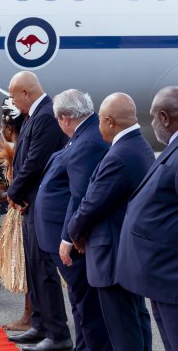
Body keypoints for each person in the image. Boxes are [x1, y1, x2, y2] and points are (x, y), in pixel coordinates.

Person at [68, 93, 154, 350]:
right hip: (127, 252)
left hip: (113, 255)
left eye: (100, 122)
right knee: (136, 320)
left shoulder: (119, 155)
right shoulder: (140, 146)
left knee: (123, 330)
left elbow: (91, 203)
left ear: (109, 121)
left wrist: (74, 233)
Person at [33, 89, 112, 351]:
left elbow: (80, 196)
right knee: (80, 303)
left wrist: (69, 236)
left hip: (70, 240)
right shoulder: (82, 135)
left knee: (87, 307)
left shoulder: (88, 141)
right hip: (60, 235)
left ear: (66, 117)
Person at [5, 72, 71, 350]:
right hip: (30, 201)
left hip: (38, 203)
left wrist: (13, 192)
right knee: (34, 268)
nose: (10, 101)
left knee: (44, 270)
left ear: (25, 93)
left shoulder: (45, 114)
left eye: (12, 95)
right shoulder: (35, 114)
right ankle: (40, 325)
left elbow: (35, 162)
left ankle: (58, 335)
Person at [116, 86, 178, 351]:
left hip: (170, 277)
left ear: (165, 118)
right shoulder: (172, 148)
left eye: (153, 118)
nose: (151, 124)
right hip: (161, 277)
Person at [0, 97, 32, 331]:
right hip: (16, 213)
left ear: (8, 128)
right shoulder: (18, 149)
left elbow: (18, 184)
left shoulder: (18, 152)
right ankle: (29, 314)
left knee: (25, 266)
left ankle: (29, 315)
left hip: (19, 214)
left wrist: (4, 194)